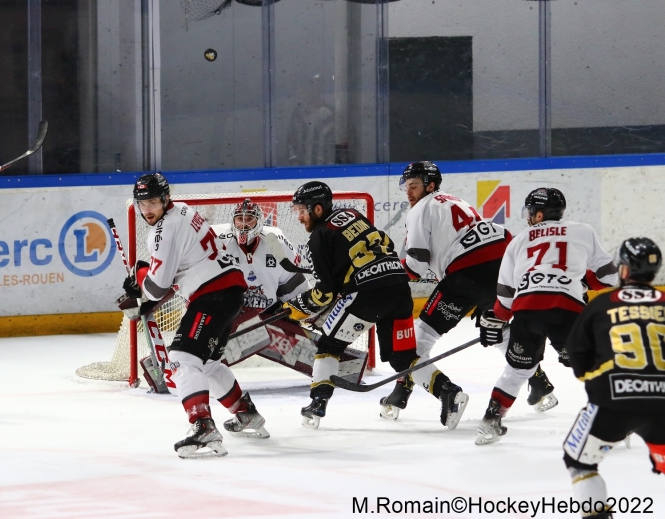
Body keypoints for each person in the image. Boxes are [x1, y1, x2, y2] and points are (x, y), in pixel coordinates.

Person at [122, 173, 268, 458]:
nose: (147, 209)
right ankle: (246, 413)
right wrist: (144, 275)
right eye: (142, 204)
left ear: (165, 199)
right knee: (209, 362)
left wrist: (139, 276)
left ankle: (203, 426)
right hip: (231, 289)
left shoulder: (162, 231)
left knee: (182, 358)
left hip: (212, 295)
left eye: (152, 202)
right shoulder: (186, 209)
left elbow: (157, 288)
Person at [475, 188, 618, 445]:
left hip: (527, 311)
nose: (528, 217)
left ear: (538, 214)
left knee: (518, 369)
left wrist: (497, 317)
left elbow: (507, 293)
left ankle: (490, 420)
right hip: (567, 310)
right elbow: (608, 274)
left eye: (530, 212)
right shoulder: (582, 230)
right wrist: (589, 283)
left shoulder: (518, 241)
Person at [386, 160, 518, 430]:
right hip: (501, 269)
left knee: (418, 339)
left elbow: (418, 263)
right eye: (406, 186)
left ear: (430, 185)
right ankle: (537, 380)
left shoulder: (420, 208)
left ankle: (432, 392)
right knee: (493, 325)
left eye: (414, 185)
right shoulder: (458, 200)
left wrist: (392, 273)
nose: (409, 191)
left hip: (467, 276)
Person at [282, 181, 414, 429]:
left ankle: (318, 402)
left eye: (301, 210)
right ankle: (447, 392)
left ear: (317, 209)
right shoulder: (354, 215)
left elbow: (325, 294)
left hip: (366, 294)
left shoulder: (319, 237)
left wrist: (296, 307)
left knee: (328, 344)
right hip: (398, 288)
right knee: (402, 355)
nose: (299, 217)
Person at [562, 237, 665, 519]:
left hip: (612, 403)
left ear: (623, 270)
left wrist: (593, 379)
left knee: (579, 463)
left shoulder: (603, 303)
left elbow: (577, 351)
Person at [216, 199, 308, 316]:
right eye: (240, 219)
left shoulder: (275, 243)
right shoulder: (221, 244)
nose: (244, 225)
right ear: (233, 221)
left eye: (250, 219)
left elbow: (292, 285)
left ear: (259, 222)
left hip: (269, 315)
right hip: (229, 316)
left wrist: (300, 308)